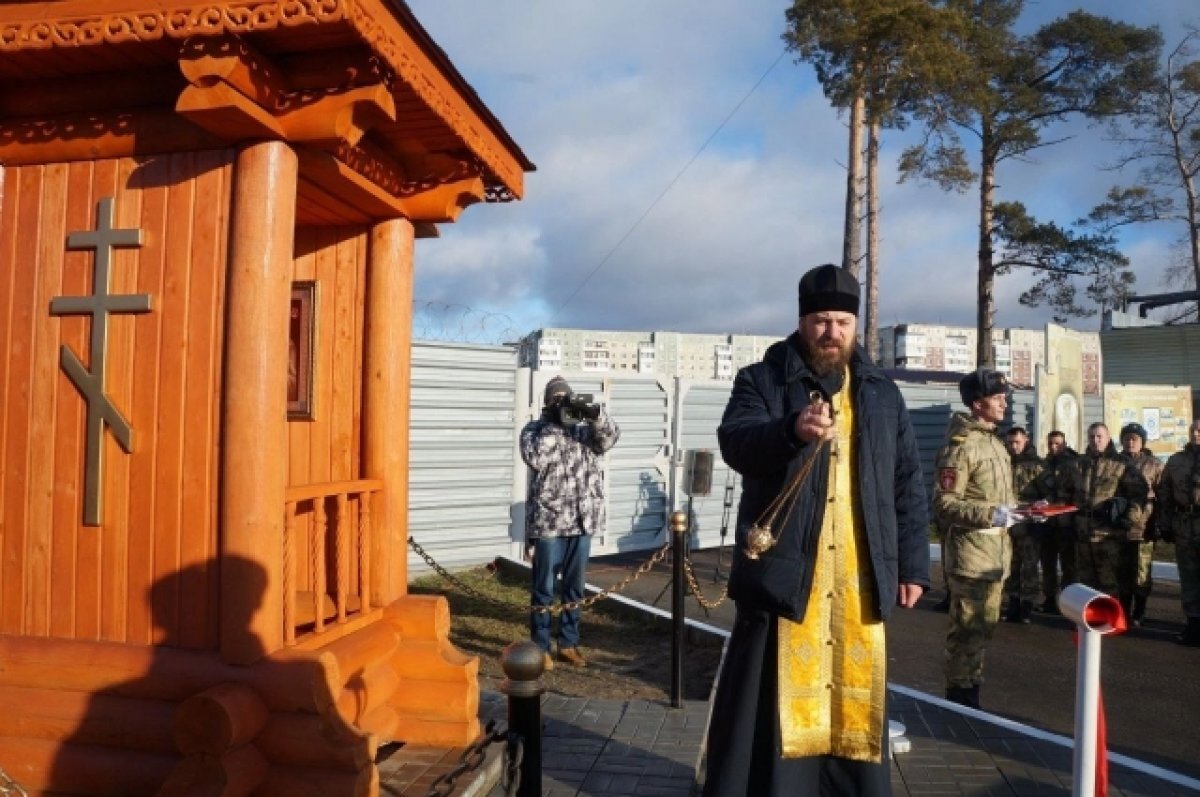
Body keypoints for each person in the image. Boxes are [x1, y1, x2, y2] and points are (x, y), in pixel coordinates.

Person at [702, 264, 929, 797]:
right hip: (787, 578)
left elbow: (907, 483)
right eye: (822, 321)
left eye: (843, 322)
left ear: (856, 326)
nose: (832, 333)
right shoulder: (763, 379)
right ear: (803, 322)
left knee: (854, 703)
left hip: (857, 578)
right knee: (768, 705)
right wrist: (791, 430)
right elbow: (735, 442)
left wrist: (914, 565)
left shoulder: (882, 394)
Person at [520, 376, 620, 670]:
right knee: (544, 588)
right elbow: (537, 458)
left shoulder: (583, 433)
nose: (562, 404)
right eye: (557, 399)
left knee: (574, 588)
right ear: (547, 404)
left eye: (566, 398)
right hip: (549, 521)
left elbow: (610, 438)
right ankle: (540, 647)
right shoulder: (534, 431)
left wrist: (594, 415)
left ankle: (569, 643)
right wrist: (554, 423)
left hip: (583, 520)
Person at [934, 368, 1017, 709]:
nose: (1005, 404)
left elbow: (998, 497)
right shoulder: (962, 447)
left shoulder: (994, 443)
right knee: (967, 631)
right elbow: (944, 502)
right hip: (971, 557)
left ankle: (971, 691)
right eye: (999, 399)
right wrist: (991, 515)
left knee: (984, 630)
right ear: (979, 404)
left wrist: (1024, 510)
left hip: (995, 555)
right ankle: (960, 700)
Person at [1060, 423, 1149, 599]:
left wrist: (1129, 519)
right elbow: (1064, 493)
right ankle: (1091, 620)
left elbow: (1138, 495)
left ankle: (1110, 621)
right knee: (1085, 583)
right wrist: (1065, 521)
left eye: (1099, 436)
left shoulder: (1122, 464)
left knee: (1110, 582)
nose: (1095, 440)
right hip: (1082, 533)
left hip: (1109, 534)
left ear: (1108, 438)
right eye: (1092, 436)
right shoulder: (1077, 464)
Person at [1158, 419, 1200, 646]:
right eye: (1193, 430)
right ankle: (1193, 624)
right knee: (1189, 576)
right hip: (1184, 525)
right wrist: (1165, 525)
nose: (1196, 434)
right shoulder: (1176, 461)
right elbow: (1164, 495)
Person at [1118, 422, 1164, 626]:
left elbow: (1163, 495)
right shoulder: (1114, 462)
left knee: (1142, 571)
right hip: (1118, 528)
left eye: (1134, 439)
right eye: (1126, 438)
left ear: (1141, 442)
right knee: (1122, 571)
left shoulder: (1153, 464)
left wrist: (1159, 523)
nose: (1130, 442)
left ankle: (1139, 611)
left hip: (1144, 527)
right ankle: (1123, 610)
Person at [1003, 426, 1044, 624]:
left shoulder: (1037, 466)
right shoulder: (1002, 463)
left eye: (1017, 442)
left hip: (1028, 525)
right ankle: (1012, 603)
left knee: (1029, 566)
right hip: (1007, 524)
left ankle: (1027, 606)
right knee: (1010, 564)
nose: (1013, 446)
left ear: (1025, 441)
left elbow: (1049, 493)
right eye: (1010, 442)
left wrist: (1041, 508)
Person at [1036, 430, 1077, 614]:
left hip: (1066, 522)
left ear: (1065, 443)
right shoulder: (1044, 464)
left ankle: (1067, 601)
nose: (1054, 447)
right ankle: (1049, 598)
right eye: (1051, 443)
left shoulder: (1074, 463)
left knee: (1069, 564)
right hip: (1048, 522)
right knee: (1048, 562)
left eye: (1058, 444)